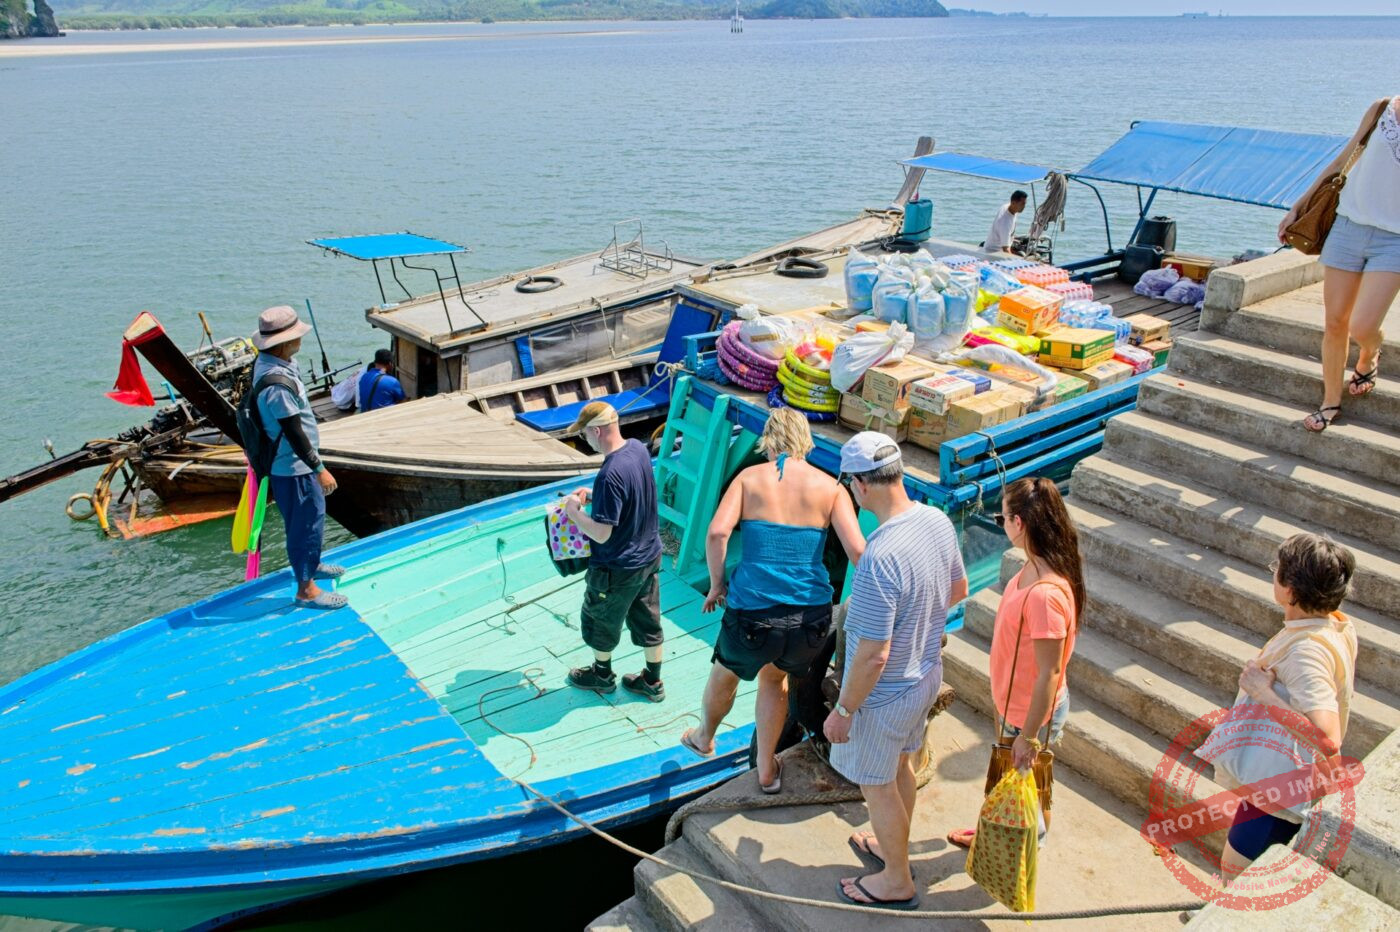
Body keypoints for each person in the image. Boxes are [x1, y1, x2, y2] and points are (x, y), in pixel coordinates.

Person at [679, 409, 866, 793]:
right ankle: (767, 770)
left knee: (724, 673)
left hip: (753, 615)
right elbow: (859, 553)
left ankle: (704, 738)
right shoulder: (832, 488)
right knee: (774, 679)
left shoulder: (749, 479)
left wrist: (717, 585)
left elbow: (717, 534)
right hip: (809, 620)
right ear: (806, 442)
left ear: (769, 441)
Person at [823, 433, 968, 911]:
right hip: (925, 673)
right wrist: (918, 626)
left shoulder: (878, 557)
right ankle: (893, 851)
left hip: (885, 694)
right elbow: (958, 589)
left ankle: (896, 880)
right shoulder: (936, 520)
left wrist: (844, 711)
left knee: (876, 783)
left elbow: (873, 655)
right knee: (902, 765)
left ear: (861, 485)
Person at [945, 476, 1084, 851]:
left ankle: (1013, 849)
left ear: (1018, 523)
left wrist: (1029, 735)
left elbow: (1049, 672)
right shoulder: (1035, 568)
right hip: (1014, 704)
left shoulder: (1044, 595)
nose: (1002, 523)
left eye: (1002, 517)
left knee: (1025, 786)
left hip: (1027, 714)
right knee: (1024, 781)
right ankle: (1000, 832)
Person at [1216, 533, 1357, 884]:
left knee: (1236, 877)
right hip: (1285, 781)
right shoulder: (1334, 624)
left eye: (1276, 569)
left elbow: (1327, 740)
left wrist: (1262, 692)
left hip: (1279, 796)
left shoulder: (1306, 651)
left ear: (1291, 589)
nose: (1272, 573)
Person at [1284, 96, 1400, 432]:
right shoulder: (1382, 109)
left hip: (1394, 240)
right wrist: (1299, 206)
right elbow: (1342, 161)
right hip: (1348, 227)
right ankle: (1330, 400)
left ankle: (1369, 353)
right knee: (1335, 322)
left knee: (1362, 325)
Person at [562, 401, 666, 701]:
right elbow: (630, 494)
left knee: (599, 619)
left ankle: (602, 675)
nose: (585, 440)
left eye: (584, 435)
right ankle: (652, 681)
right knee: (648, 619)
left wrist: (574, 513)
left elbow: (601, 533)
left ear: (596, 431)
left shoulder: (609, 473)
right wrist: (595, 496)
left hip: (617, 567)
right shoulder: (637, 449)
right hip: (648, 555)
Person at [249, 305, 346, 609]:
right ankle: (306, 590)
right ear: (284, 343)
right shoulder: (277, 385)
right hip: (294, 468)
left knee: (311, 521)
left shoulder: (274, 363)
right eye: (296, 335)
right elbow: (294, 433)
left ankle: (311, 565)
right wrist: (319, 468)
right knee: (304, 525)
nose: (300, 338)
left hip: (294, 464)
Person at [984, 190, 1029, 254]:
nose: (1024, 207)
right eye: (1022, 204)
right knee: (1023, 255)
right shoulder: (1005, 223)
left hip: (1003, 241)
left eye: (1025, 204)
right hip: (995, 252)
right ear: (1013, 203)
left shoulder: (1007, 206)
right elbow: (1006, 250)